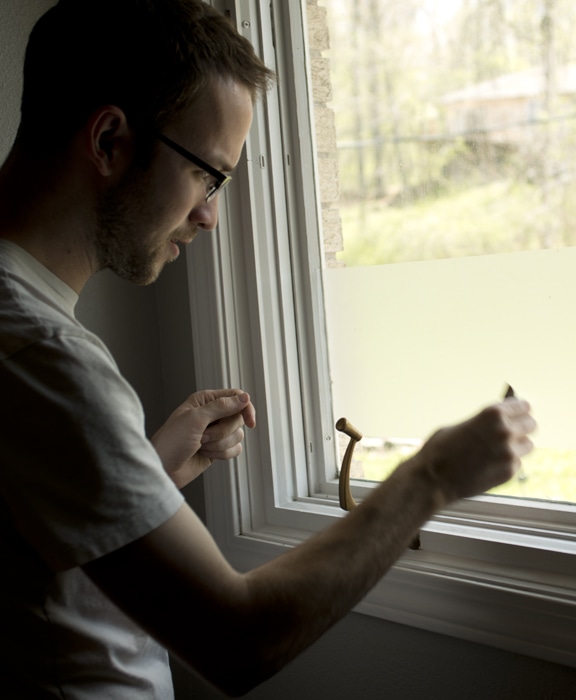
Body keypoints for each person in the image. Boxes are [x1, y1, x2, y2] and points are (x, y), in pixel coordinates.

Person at [0, 1, 536, 698]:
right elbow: (238, 639)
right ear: (108, 141)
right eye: (207, 174)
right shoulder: (42, 354)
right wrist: (429, 476)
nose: (210, 215)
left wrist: (146, 466)